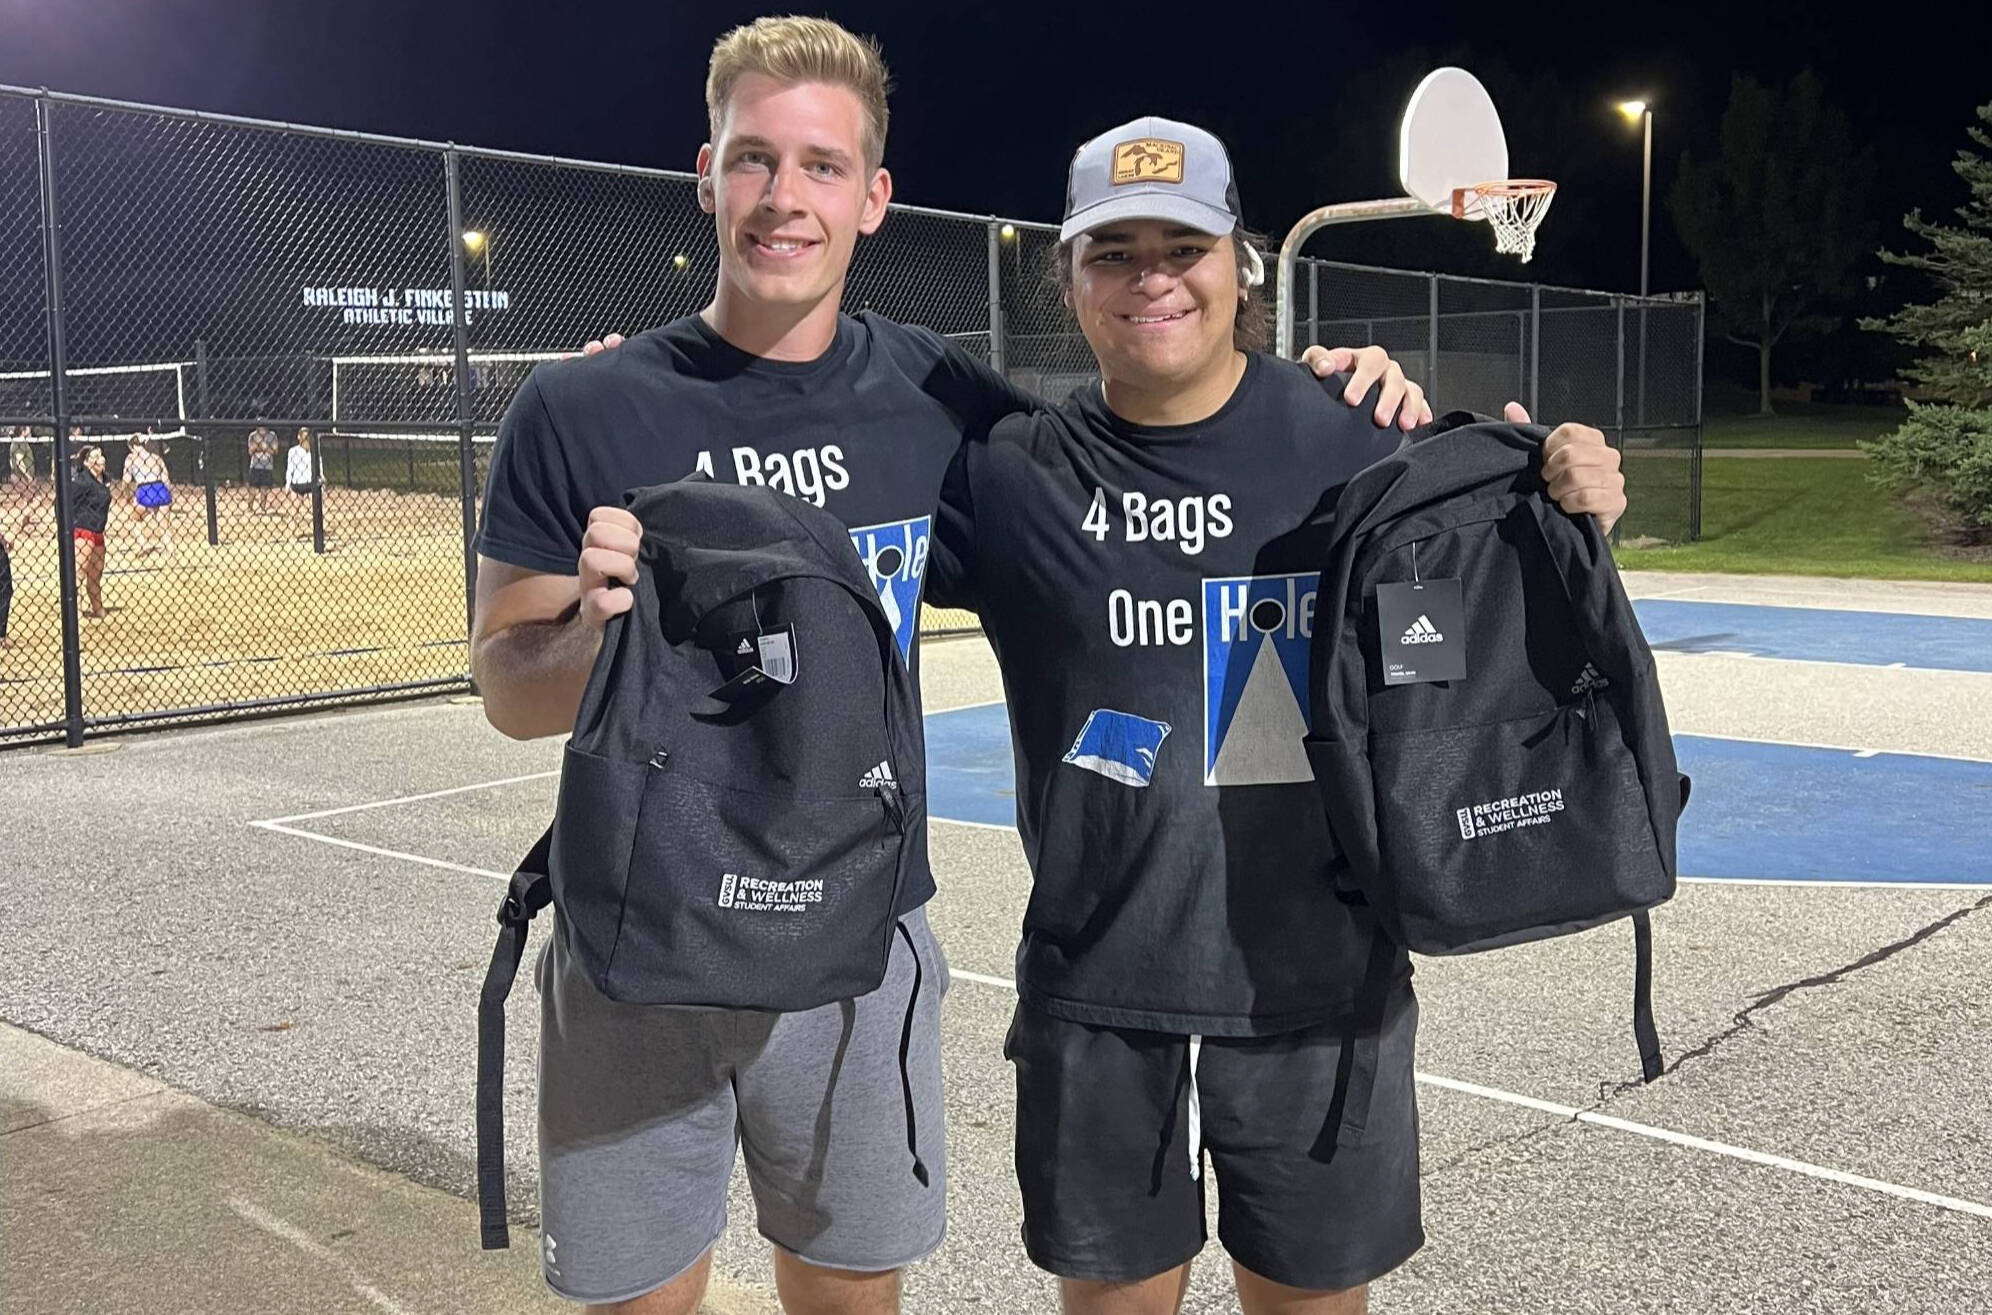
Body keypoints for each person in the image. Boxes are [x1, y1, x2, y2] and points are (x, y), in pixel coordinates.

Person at [472, 18, 1425, 1315]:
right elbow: (509, 689)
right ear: (708, 174)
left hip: (859, 939)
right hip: (641, 940)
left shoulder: (934, 400)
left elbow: (1143, 467)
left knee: (853, 1294)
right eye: (755, 159)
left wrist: (1327, 402)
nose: (785, 197)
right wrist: (599, 629)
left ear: (873, 195)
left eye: (821, 166)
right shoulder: (583, 408)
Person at [925, 117, 1626, 1315]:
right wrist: (630, 401)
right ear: (1070, 279)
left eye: (1183, 247)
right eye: (1113, 252)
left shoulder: (1362, 434)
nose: (1151, 278)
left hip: (1321, 982)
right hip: (1098, 989)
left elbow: (1475, 629)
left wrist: (1577, 503)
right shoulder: (1007, 474)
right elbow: (818, 482)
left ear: (1240, 263)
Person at [70, 445, 111, 619]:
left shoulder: (104, 481)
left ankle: (97, 608)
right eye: (95, 456)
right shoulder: (82, 481)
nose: (100, 459)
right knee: (79, 573)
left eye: (101, 455)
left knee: (95, 575)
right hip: (83, 529)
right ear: (87, 462)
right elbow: (64, 503)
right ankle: (76, 610)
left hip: (98, 530)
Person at [124, 432, 173, 557]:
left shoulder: (131, 458)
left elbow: (126, 480)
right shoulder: (156, 457)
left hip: (144, 489)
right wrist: (168, 495)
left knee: (135, 519)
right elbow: (166, 478)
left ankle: (143, 543)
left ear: (132, 446)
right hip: (160, 488)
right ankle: (170, 549)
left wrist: (127, 495)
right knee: (163, 524)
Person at [246, 421, 278, 515]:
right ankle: (249, 508)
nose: (261, 429)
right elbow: (251, 451)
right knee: (252, 488)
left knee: (264, 488)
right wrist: (265, 448)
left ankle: (262, 508)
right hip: (255, 465)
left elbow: (275, 451)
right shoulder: (252, 435)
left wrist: (262, 444)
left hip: (267, 466)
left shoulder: (272, 435)